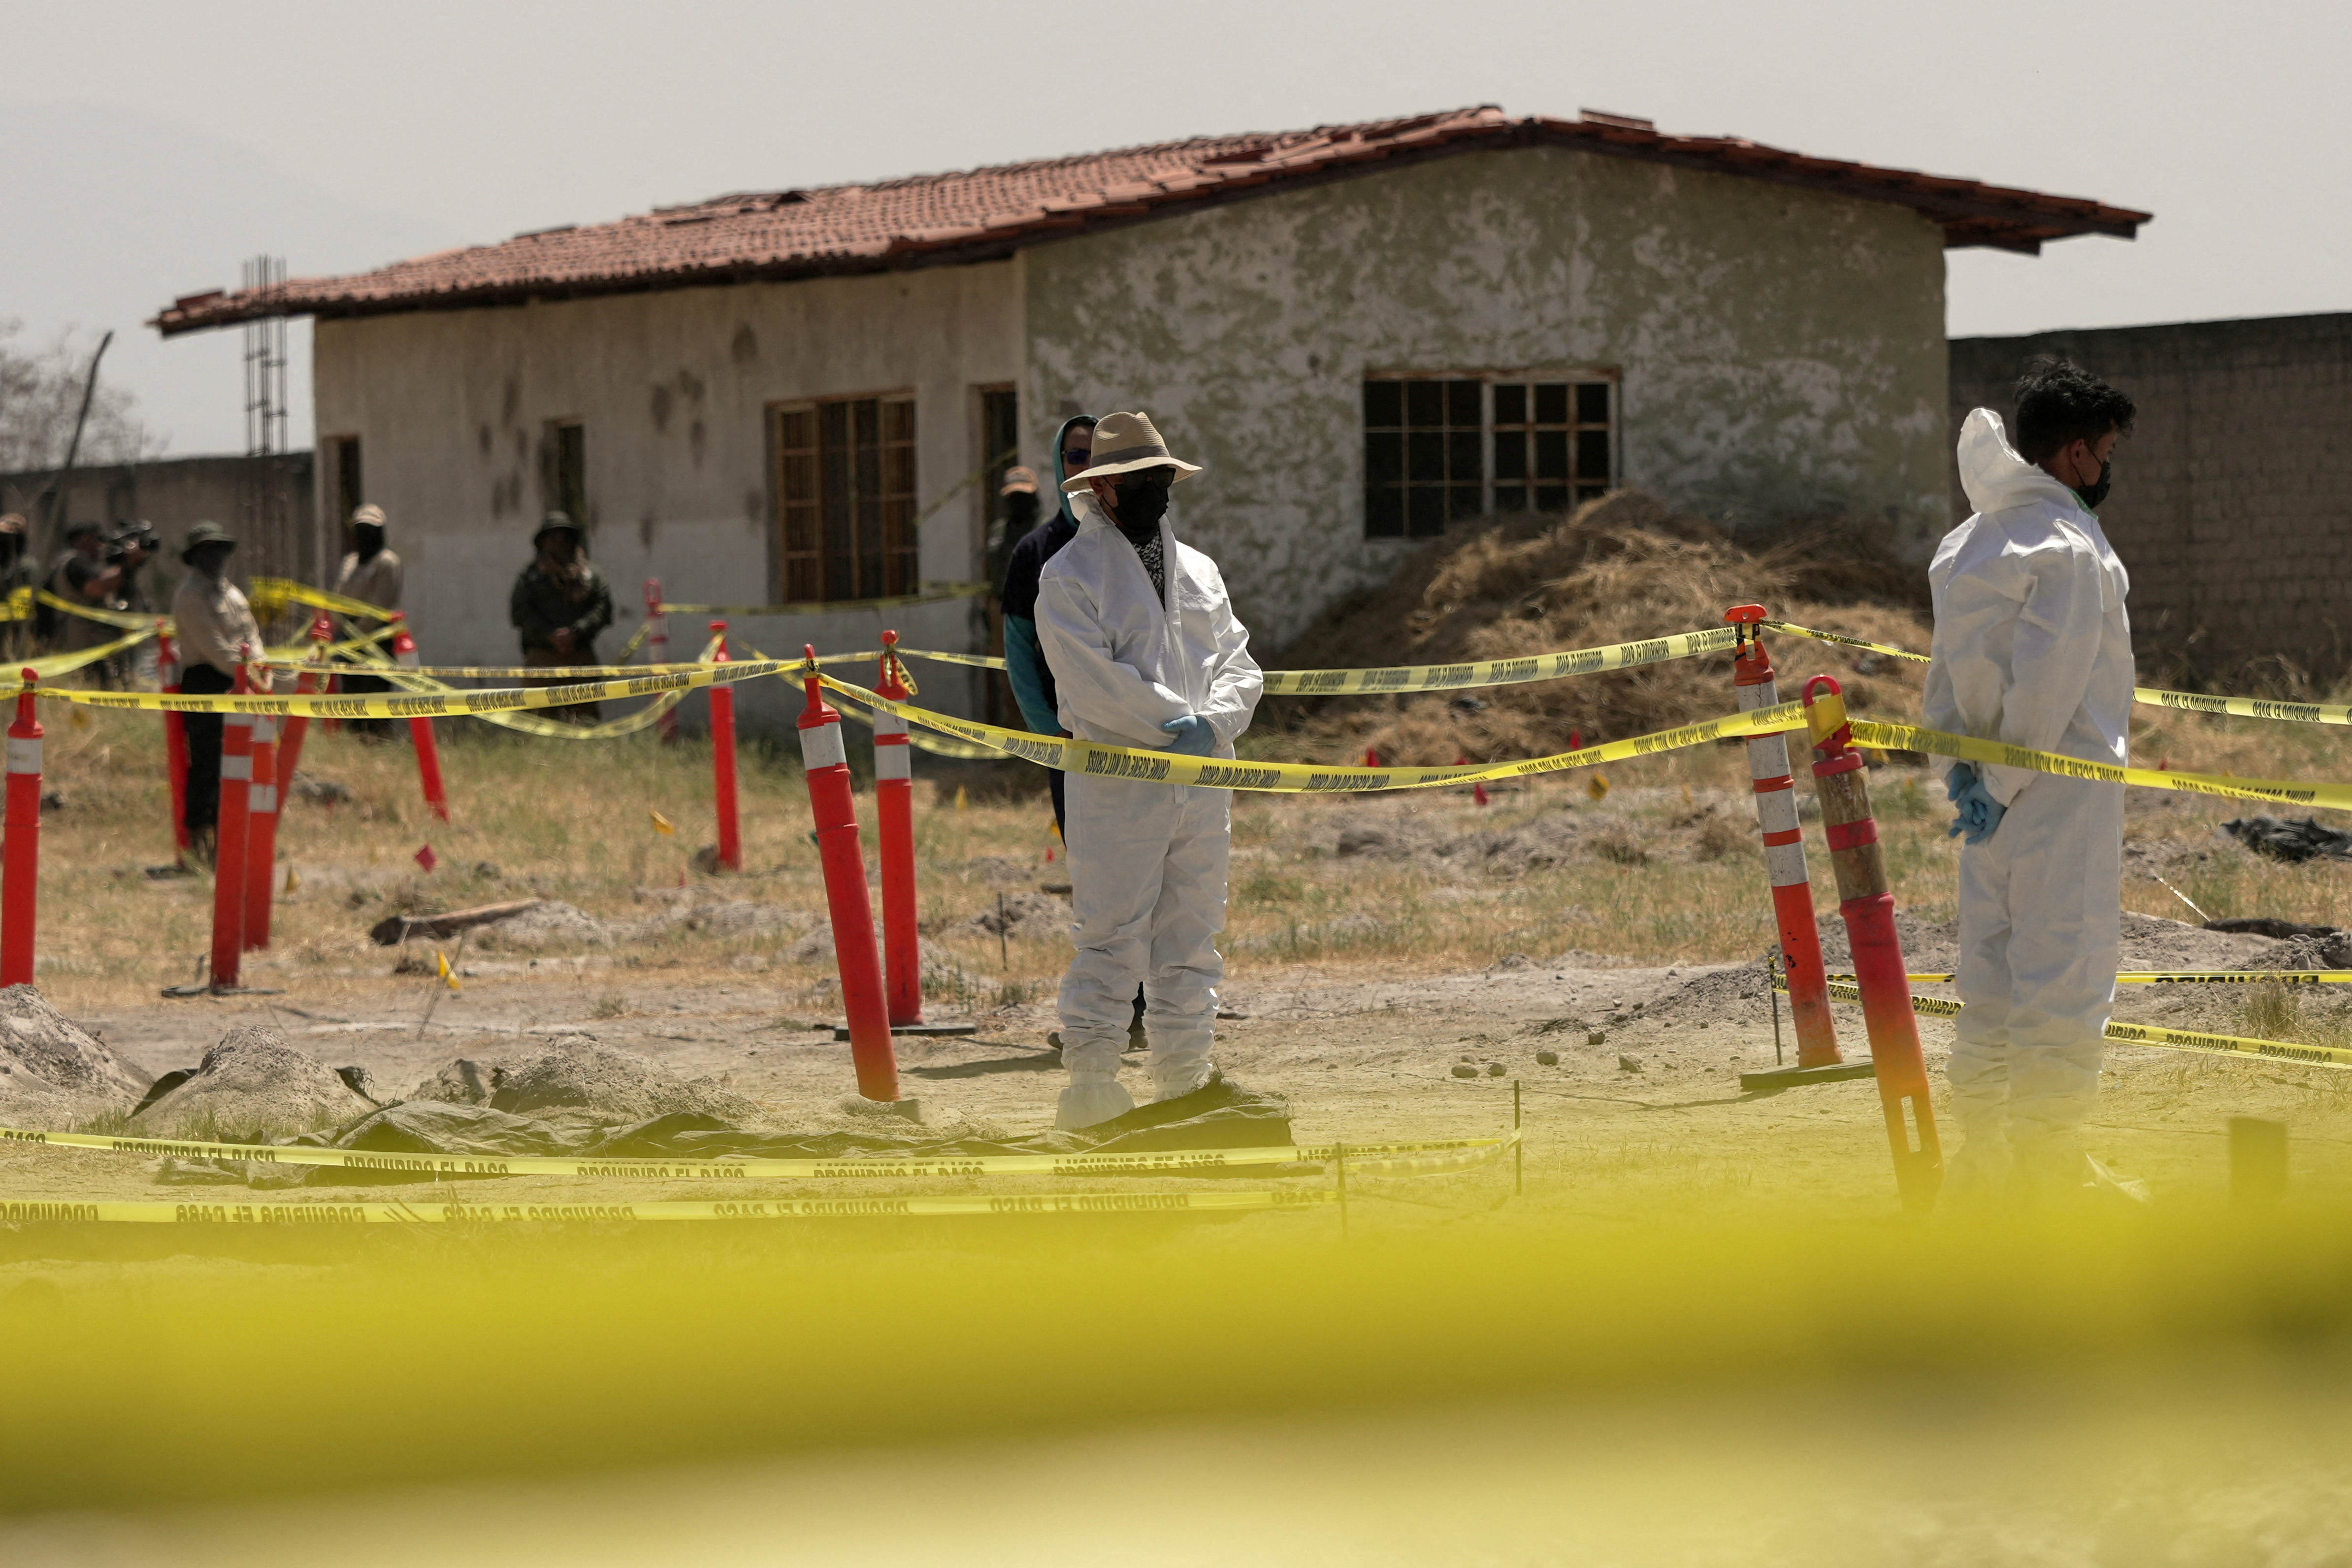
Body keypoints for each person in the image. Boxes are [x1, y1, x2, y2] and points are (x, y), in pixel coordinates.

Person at [1925, 358, 2138, 1206]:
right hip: (2062, 787)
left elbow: (1942, 678)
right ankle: (2049, 1178)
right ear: (2078, 453)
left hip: (1985, 804)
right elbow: (2051, 685)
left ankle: (1981, 1171)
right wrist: (2010, 780)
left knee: (1991, 976)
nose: (2107, 465)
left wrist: (1965, 777)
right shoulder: (2068, 545)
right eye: (2107, 449)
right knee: (2066, 973)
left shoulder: (1967, 540)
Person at [1036, 411, 1263, 1130]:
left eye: (1161, 477)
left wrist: (1215, 723)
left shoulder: (1200, 569)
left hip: (1203, 784)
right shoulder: (1068, 574)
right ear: (1101, 487)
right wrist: (1172, 723)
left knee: (1192, 938)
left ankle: (1184, 1081)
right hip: (1118, 783)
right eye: (1139, 480)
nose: (1154, 490)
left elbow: (1238, 663)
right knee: (1111, 934)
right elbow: (1089, 682)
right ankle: (1094, 1085)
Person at [169, 522, 262, 867]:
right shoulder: (189, 595)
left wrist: (259, 669)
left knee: (238, 762)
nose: (217, 557)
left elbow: (252, 634)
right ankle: (197, 845)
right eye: (208, 550)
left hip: (241, 681)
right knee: (207, 763)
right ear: (195, 557)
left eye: (220, 549)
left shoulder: (232, 593)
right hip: (207, 682)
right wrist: (249, 673)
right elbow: (215, 649)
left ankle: (230, 841)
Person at [510, 511, 613, 722]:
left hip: (580, 656)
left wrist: (576, 632)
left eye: (565, 535)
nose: (560, 541)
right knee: (539, 720)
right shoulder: (530, 576)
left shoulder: (590, 575)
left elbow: (602, 607)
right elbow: (520, 612)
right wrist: (551, 635)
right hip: (542, 657)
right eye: (553, 536)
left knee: (585, 719)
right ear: (543, 542)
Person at [334, 504, 404, 737]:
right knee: (351, 695)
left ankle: (379, 742)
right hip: (347, 636)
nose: (365, 535)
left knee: (375, 694)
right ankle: (355, 743)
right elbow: (339, 597)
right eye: (361, 529)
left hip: (376, 637)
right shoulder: (350, 562)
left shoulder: (387, 562)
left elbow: (380, 604)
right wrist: (342, 633)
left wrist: (357, 636)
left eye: (371, 530)